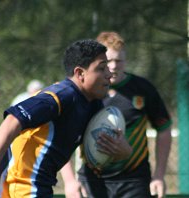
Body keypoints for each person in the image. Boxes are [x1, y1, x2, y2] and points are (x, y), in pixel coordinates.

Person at [0, 39, 117, 197]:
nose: (109, 74)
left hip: (40, 185)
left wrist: (122, 150)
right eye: (102, 68)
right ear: (80, 73)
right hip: (22, 184)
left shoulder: (93, 104)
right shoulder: (60, 96)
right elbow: (13, 119)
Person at [61, 31, 172, 198]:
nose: (113, 66)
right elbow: (63, 136)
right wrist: (69, 181)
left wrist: (159, 176)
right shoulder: (83, 92)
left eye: (118, 60)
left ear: (125, 60)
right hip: (92, 180)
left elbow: (164, 129)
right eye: (107, 61)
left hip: (134, 181)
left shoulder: (143, 89)